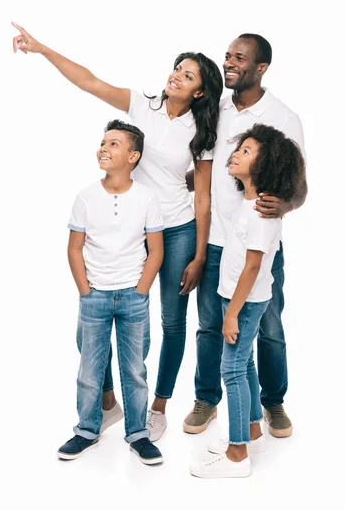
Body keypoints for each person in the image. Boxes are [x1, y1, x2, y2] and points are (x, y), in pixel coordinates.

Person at [12, 22, 223, 441]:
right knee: (103, 310)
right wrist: (41, 49)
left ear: (199, 91)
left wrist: (199, 255)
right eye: (176, 68)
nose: (175, 75)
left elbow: (202, 198)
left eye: (187, 74)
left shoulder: (201, 131)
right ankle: (109, 403)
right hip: (135, 228)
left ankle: (156, 407)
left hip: (178, 230)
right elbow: (89, 81)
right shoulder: (143, 105)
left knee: (173, 321)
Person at [183, 34, 307, 437]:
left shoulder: (284, 117)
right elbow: (206, 167)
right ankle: (207, 398)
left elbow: (299, 186)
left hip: (260, 245)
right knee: (209, 326)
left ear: (262, 68)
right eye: (228, 56)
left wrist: (285, 205)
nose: (230, 63)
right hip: (216, 239)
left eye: (240, 58)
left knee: (268, 328)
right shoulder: (213, 110)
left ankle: (272, 403)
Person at [190, 123, 305, 478]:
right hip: (235, 299)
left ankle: (237, 453)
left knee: (233, 370)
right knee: (246, 364)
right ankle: (253, 431)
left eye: (247, 151)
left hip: (243, 303)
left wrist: (232, 315)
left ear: (265, 166)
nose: (236, 153)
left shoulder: (262, 213)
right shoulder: (250, 203)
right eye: (239, 148)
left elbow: (253, 268)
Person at [57, 119, 165, 465]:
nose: (104, 147)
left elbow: (156, 250)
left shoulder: (147, 198)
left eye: (114, 144)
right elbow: (75, 248)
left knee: (134, 369)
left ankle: (138, 434)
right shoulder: (86, 196)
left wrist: (141, 289)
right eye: (103, 142)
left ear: (133, 156)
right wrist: (86, 291)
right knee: (89, 369)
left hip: (133, 295)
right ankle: (87, 430)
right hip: (96, 296)